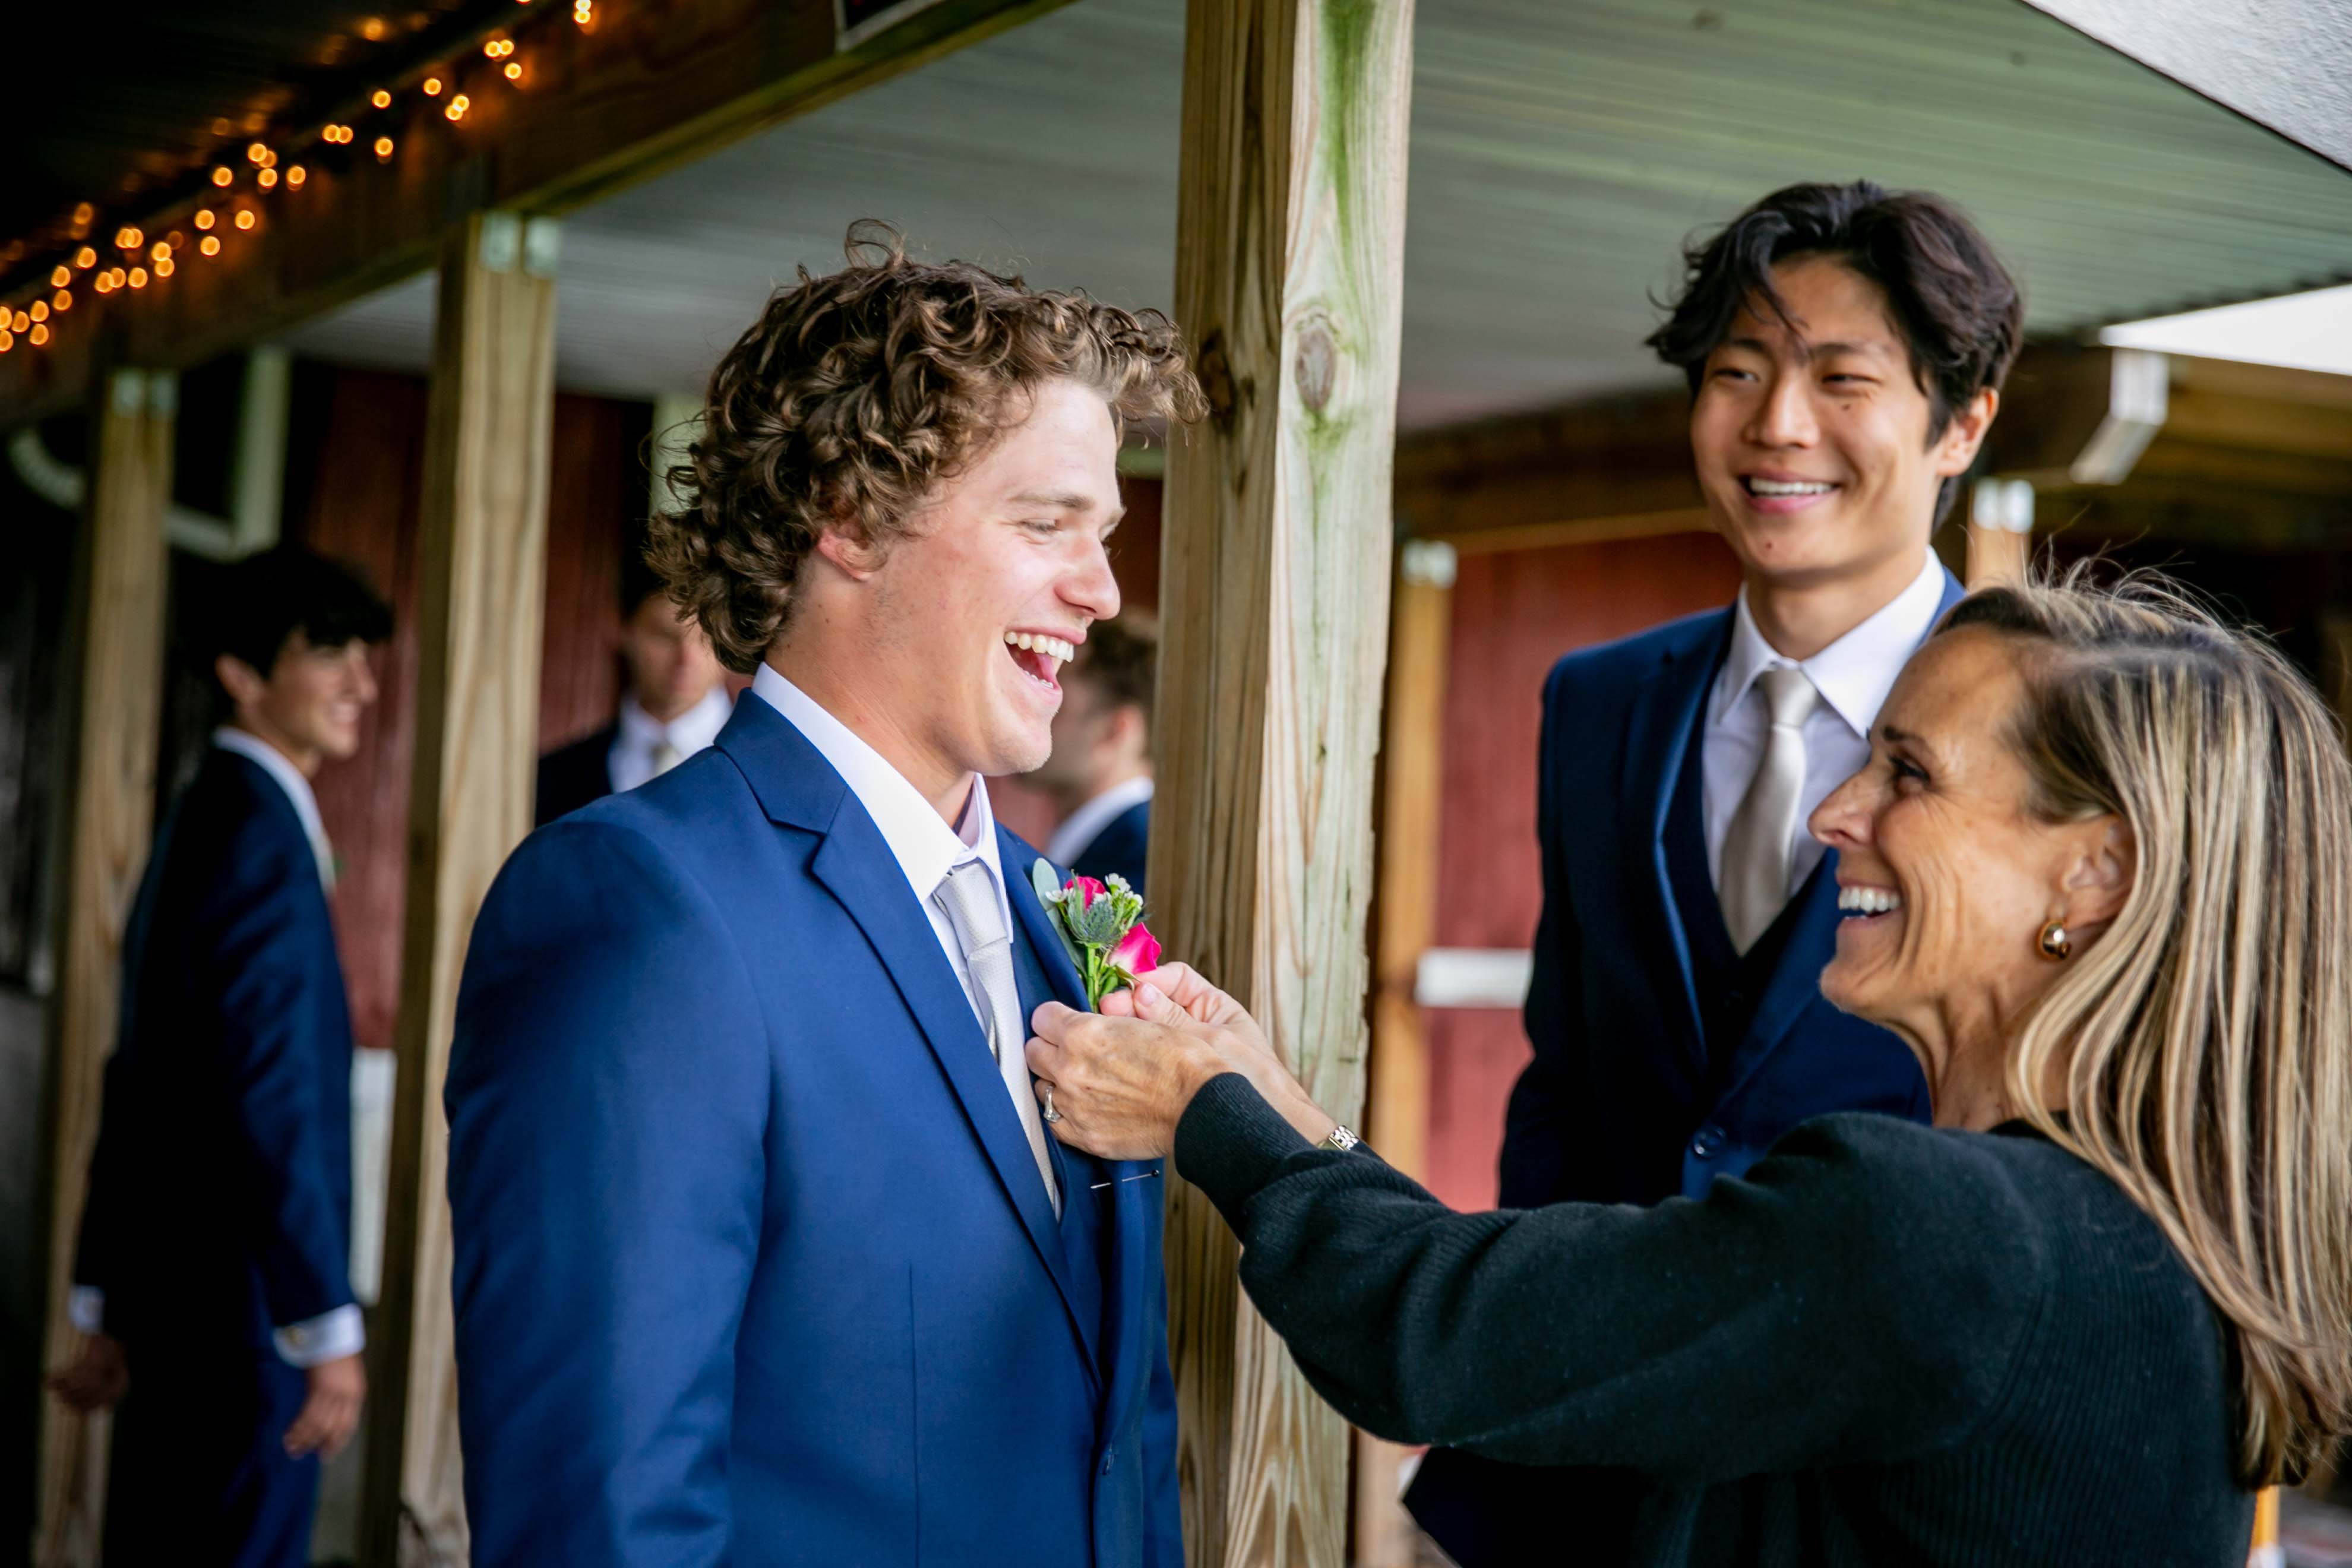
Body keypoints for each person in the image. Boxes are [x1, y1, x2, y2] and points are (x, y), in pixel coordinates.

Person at [1027, 571, 2352, 1567]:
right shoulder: (2167, 1232)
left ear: (2095, 871)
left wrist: (1207, 1112)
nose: (1839, 814)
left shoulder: (1946, 1234)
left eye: (1909, 773)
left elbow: (1438, 1337)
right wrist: (1277, 1102)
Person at [443, 225, 1204, 1567]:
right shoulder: (638, 913)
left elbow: (1117, 1435)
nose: (1099, 593)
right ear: (849, 518)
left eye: (1106, 535)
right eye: (1046, 526)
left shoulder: (1052, 916)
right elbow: (601, 1523)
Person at [1410, 182, 2022, 1560]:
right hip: (1587, 1470)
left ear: (1960, 423)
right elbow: (1566, 1076)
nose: (1775, 425)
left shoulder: (2057, 727)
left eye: (1839, 377)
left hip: (1878, 1485)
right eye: (1735, 373)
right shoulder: (1598, 702)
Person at [50, 546, 390, 1568]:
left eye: (363, 656)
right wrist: (323, 1323)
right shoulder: (257, 836)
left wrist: (106, 1297)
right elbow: (272, 1095)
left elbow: (141, 1070)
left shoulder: (210, 812)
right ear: (243, 673)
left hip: (176, 1297)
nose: (360, 683)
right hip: (247, 1319)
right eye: (327, 654)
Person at [535, 563, 731, 825]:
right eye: (664, 636)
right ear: (620, 627)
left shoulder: (766, 771)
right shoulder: (552, 777)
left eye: (707, 638)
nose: (687, 659)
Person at [1030, 613, 1156, 892]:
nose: (1034, 713)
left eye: (1057, 704)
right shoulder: (1120, 845)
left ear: (1114, 731)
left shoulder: (1141, 863)